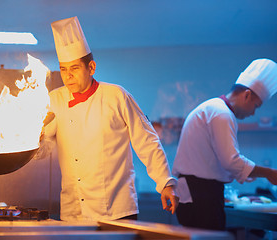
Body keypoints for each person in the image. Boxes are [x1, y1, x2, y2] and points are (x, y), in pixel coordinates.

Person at [40, 16, 179, 222]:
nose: (68, 76)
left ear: (91, 68)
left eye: (74, 68)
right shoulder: (53, 100)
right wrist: (34, 139)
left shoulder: (117, 96)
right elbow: (42, 148)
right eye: (63, 69)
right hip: (73, 212)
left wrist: (165, 182)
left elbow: (146, 141)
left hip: (117, 210)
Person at [172, 58, 277, 230]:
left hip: (194, 193)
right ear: (247, 95)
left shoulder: (213, 108)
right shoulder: (222, 113)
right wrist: (269, 173)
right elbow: (231, 161)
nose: (253, 113)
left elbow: (219, 160)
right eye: (255, 106)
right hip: (202, 195)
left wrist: (247, 172)